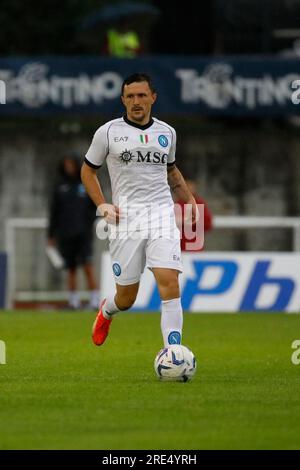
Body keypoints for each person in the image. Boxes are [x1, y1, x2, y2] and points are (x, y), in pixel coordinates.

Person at [81, 73, 199, 347]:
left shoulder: (167, 133)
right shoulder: (107, 132)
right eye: (130, 96)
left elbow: (171, 171)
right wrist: (103, 205)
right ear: (123, 99)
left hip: (161, 215)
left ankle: (174, 352)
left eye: (142, 95)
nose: (136, 101)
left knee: (169, 283)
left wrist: (189, 200)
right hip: (126, 220)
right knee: (127, 298)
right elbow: (88, 172)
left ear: (152, 98)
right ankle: (107, 310)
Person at [47, 156, 99, 310]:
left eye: (71, 164)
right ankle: (73, 301)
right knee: (71, 268)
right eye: (66, 164)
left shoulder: (85, 184)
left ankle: (95, 300)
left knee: (88, 265)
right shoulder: (60, 186)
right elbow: (54, 212)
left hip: (84, 233)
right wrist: (51, 234)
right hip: (65, 233)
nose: (69, 167)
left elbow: (94, 206)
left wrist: (88, 223)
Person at [175, 178, 213, 252]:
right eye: (185, 185)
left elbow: (208, 224)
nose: (188, 188)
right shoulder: (177, 204)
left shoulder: (199, 203)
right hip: (179, 250)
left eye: (190, 185)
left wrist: (185, 220)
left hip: (196, 250)